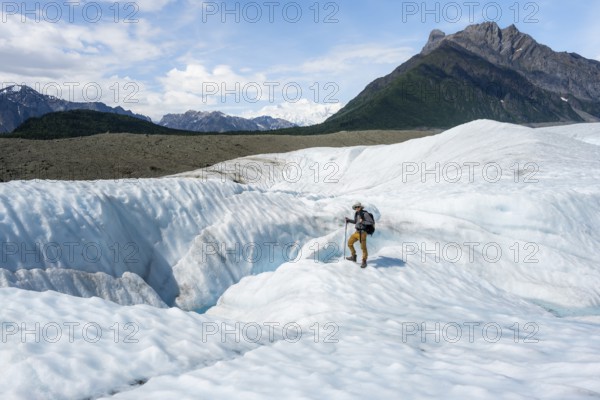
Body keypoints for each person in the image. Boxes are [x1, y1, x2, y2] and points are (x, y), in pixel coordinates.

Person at [345, 201, 374, 268]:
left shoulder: (365, 214)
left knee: (363, 248)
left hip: (362, 233)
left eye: (358, 207)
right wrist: (348, 220)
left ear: (361, 207)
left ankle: (364, 261)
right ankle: (353, 256)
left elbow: (371, 222)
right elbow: (356, 222)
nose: (357, 208)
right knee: (349, 243)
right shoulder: (357, 213)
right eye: (356, 207)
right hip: (357, 232)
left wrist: (363, 222)